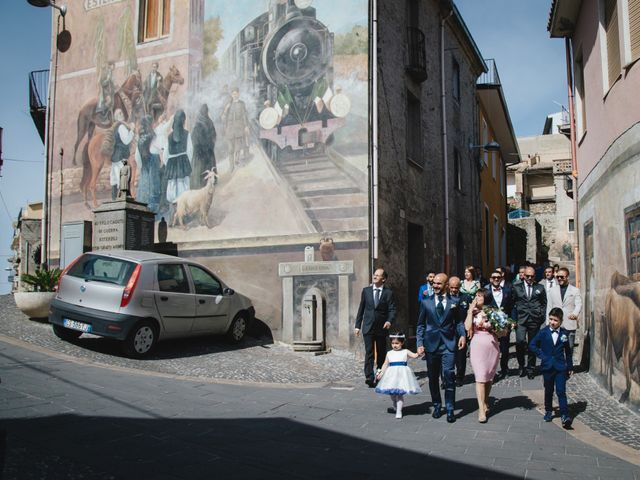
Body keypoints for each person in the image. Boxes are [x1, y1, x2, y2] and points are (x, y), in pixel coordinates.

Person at [416, 273, 466, 423]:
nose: (435, 286)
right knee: (433, 378)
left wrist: (462, 335)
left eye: (439, 284)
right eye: (434, 283)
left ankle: (450, 409)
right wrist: (419, 343)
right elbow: (421, 325)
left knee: (449, 376)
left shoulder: (454, 302)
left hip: (448, 344)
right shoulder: (426, 302)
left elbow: (458, 322)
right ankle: (437, 405)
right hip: (431, 345)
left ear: (446, 285)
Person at [529, 307, 574, 428]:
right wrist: (542, 356)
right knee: (549, 390)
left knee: (561, 391)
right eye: (550, 319)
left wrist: (569, 366)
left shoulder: (564, 334)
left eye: (555, 320)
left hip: (560, 367)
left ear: (561, 321)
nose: (552, 322)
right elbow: (532, 345)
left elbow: (568, 352)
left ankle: (565, 415)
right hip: (547, 366)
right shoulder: (543, 332)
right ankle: (548, 410)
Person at [355, 268, 397, 387]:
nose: (375, 276)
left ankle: (379, 374)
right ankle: (369, 376)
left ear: (383, 279)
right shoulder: (366, 291)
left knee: (381, 351)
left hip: (381, 327)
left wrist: (389, 321)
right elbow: (361, 309)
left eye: (378, 275)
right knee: (369, 352)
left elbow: (392, 309)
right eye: (374, 274)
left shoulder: (388, 293)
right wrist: (357, 325)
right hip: (367, 326)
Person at [465, 290, 502, 423]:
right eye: (476, 295)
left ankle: (486, 401)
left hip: (492, 346)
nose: (477, 297)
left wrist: (497, 326)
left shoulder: (494, 311)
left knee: (488, 377)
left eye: (479, 295)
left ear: (486, 298)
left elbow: (503, 332)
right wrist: (469, 311)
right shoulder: (473, 312)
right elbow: (467, 326)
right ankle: (481, 409)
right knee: (480, 377)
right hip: (477, 345)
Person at [374, 331, 422, 419]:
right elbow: (385, 364)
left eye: (397, 343)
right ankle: (394, 402)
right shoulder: (389, 353)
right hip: (391, 375)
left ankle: (399, 411)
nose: (394, 345)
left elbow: (415, 355)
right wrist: (381, 373)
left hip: (402, 375)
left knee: (399, 394)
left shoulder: (405, 351)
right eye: (393, 343)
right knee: (392, 394)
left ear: (402, 343)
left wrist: (420, 352)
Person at [513, 266, 547, 379]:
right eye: (527, 276)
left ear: (534, 276)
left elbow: (544, 303)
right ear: (523, 276)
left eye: (532, 276)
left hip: (534, 319)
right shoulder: (517, 287)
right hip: (521, 320)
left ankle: (531, 368)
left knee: (533, 344)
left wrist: (541, 316)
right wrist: (514, 319)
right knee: (520, 341)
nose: (529, 278)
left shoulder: (540, 288)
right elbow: (512, 304)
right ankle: (521, 365)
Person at [485, 269, 515, 379]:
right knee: (491, 349)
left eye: (498, 277)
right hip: (490, 326)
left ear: (501, 278)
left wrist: (512, 321)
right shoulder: (486, 291)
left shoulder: (507, 291)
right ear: (490, 279)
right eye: (494, 278)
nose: (496, 279)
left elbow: (512, 307)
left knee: (505, 348)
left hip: (504, 324)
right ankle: (490, 370)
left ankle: (504, 369)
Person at [163, 110, 193, 211]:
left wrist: (170, 164)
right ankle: (183, 213)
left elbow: (165, 155)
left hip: (171, 163)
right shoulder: (187, 134)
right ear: (183, 121)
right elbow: (190, 151)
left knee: (172, 187)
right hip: (183, 162)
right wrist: (186, 162)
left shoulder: (169, 136)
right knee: (183, 186)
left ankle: (173, 213)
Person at [548, 268, 582, 349]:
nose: (559, 279)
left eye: (562, 277)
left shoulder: (575, 290)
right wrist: (548, 323)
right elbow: (549, 307)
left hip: (569, 323)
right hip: (555, 324)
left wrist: (575, 314)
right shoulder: (552, 290)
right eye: (558, 277)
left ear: (567, 277)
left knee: (569, 348)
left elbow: (578, 304)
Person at [135, 115, 162, 212]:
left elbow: (137, 156)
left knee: (144, 185)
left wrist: (140, 166)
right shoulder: (152, 136)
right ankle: (152, 208)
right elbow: (158, 148)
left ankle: (142, 205)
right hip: (152, 162)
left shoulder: (140, 137)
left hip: (144, 164)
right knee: (153, 186)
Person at [448, 276, 471, 387]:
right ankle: (446, 378)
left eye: (456, 288)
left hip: (461, 331)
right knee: (447, 356)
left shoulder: (465, 298)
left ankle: (459, 377)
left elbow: (470, 313)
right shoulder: (445, 298)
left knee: (461, 356)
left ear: (459, 287)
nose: (453, 290)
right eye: (451, 287)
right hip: (447, 331)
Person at [109, 109, 135, 201]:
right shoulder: (121, 127)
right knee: (122, 178)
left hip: (115, 156)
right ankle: (122, 200)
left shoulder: (116, 127)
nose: (122, 113)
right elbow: (126, 140)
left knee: (114, 179)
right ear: (116, 117)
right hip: (121, 156)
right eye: (120, 113)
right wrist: (132, 131)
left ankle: (114, 199)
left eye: (122, 112)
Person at [190, 104, 217, 189]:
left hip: (201, 151)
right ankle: (211, 181)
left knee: (201, 167)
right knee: (209, 165)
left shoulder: (198, 123)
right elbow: (214, 135)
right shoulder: (209, 121)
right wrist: (210, 144)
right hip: (208, 149)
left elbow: (194, 138)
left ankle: (201, 183)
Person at [222, 86, 249, 169]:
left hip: (239, 129)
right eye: (233, 94)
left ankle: (236, 160)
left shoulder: (242, 104)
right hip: (230, 129)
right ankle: (231, 166)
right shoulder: (228, 104)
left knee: (238, 147)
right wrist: (226, 110)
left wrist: (246, 126)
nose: (235, 95)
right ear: (231, 94)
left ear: (239, 94)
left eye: (236, 94)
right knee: (230, 149)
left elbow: (245, 116)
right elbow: (223, 118)